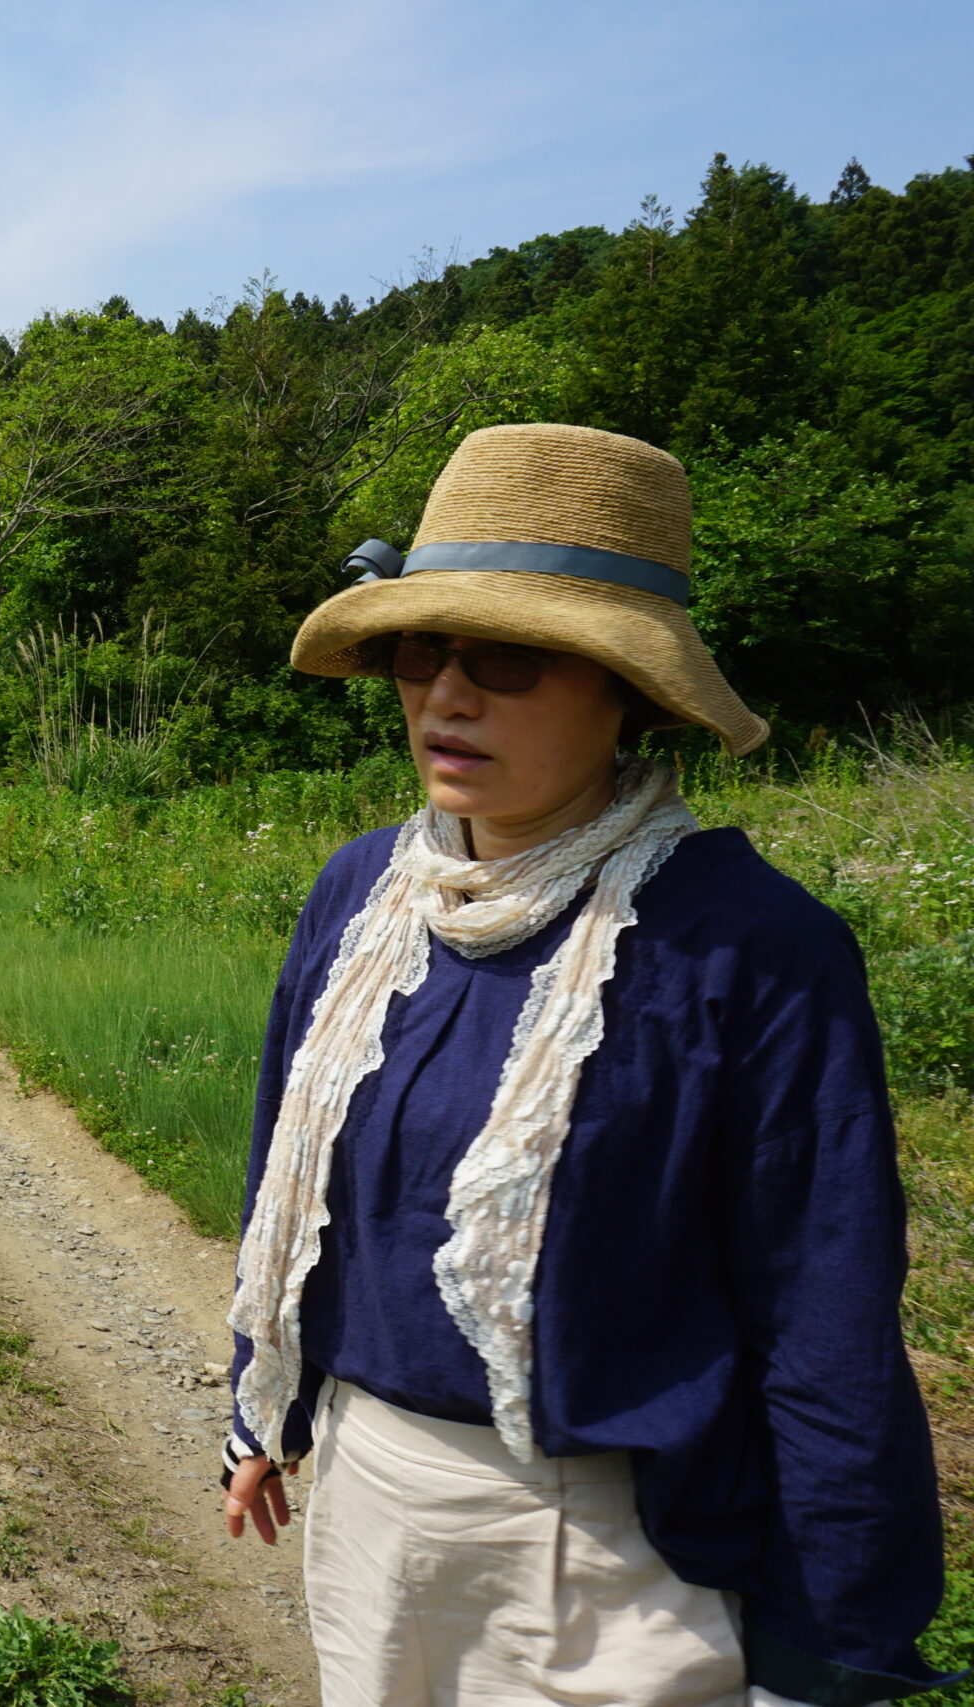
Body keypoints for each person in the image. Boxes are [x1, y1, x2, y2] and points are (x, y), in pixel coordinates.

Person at [215, 423, 953, 1706]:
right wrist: (260, 1401)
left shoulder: (747, 949)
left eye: (508, 658)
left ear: (628, 687)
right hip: (366, 1505)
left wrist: (827, 1654)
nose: (447, 696)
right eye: (417, 651)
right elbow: (289, 1171)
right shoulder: (364, 895)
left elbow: (821, 1325)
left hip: (602, 1561)